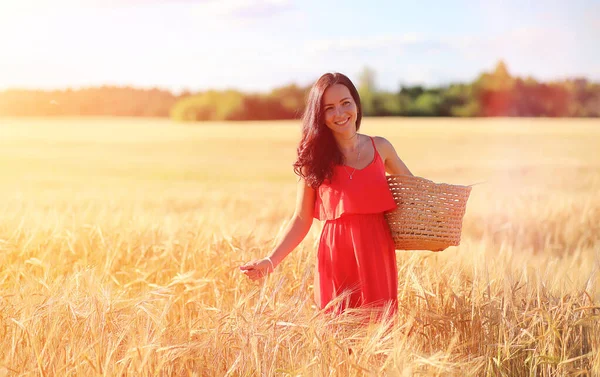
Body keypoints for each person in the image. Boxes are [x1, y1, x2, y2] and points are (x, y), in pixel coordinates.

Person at [239, 72, 413, 317]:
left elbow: (416, 193)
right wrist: (271, 261)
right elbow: (301, 218)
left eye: (345, 103)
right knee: (338, 335)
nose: (340, 114)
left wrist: (440, 222)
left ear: (356, 103)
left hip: (377, 253)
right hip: (336, 255)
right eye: (329, 108)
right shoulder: (314, 160)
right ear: (319, 115)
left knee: (379, 331)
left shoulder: (381, 147)